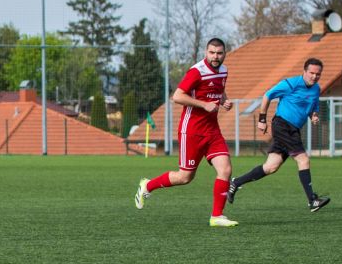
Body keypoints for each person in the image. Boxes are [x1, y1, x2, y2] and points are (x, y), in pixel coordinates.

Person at [134, 38, 238, 228]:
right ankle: (147, 186)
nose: (215, 57)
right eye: (212, 53)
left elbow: (218, 90)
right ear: (206, 52)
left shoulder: (224, 71)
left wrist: (224, 101)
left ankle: (217, 216)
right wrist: (204, 105)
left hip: (212, 131)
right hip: (191, 131)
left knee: (226, 170)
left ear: (224, 53)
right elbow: (178, 96)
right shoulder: (196, 71)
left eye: (219, 53)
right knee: (185, 177)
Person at [227, 58, 330, 212]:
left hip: (293, 129)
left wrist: (313, 116)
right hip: (283, 125)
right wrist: (262, 119)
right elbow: (267, 95)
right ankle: (312, 201)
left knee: (270, 167)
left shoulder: (316, 89)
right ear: (305, 71)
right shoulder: (291, 83)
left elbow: (312, 108)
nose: (314, 77)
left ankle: (236, 182)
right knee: (303, 160)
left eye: (318, 74)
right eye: (312, 73)